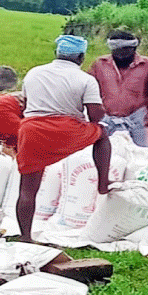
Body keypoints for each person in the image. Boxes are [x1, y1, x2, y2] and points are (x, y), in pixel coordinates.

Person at [16, 35, 112, 243]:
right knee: (102, 135)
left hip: (32, 130)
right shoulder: (85, 79)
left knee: (27, 189)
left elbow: (25, 105)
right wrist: (102, 108)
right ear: (80, 57)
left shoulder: (34, 73)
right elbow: (95, 116)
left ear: (56, 53)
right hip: (66, 129)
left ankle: (25, 236)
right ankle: (103, 183)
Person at [89, 30, 148, 146]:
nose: (120, 54)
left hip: (137, 119)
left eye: (124, 50)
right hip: (106, 119)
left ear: (133, 48)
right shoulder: (100, 64)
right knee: (106, 151)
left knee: (140, 153)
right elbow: (90, 90)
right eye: (116, 50)